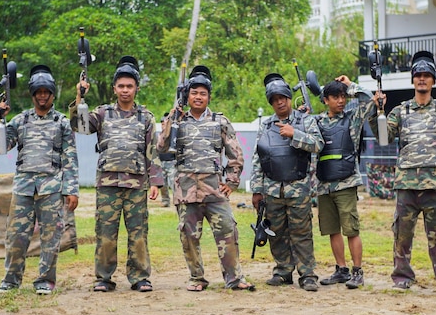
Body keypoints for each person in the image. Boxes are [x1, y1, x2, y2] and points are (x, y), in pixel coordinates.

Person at [369, 50, 436, 296]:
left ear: (433, 80)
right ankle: (402, 278)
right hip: (406, 184)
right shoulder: (400, 111)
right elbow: (383, 137)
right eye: (418, 75)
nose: (422, 79)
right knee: (402, 234)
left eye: (426, 75)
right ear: (412, 80)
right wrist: (376, 110)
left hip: (435, 183)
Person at [69, 55, 163, 293]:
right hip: (108, 184)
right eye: (121, 86)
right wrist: (80, 97)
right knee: (105, 234)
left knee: (138, 233)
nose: (125, 90)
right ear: (114, 89)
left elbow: (153, 150)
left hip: (136, 184)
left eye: (129, 86)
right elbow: (80, 126)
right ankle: (103, 277)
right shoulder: (102, 113)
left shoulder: (146, 117)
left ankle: (140, 277)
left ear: (137, 89)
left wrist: (156, 182)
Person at [157, 65, 254, 292]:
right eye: (194, 93)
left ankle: (234, 278)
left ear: (209, 97)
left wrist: (231, 181)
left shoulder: (220, 122)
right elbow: (162, 148)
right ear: (187, 95)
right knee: (188, 236)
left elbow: (235, 154)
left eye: (203, 93)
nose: (198, 97)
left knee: (228, 230)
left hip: (214, 190)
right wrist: (170, 122)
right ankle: (197, 278)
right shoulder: (178, 120)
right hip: (186, 190)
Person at [0, 64, 79, 295]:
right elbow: (3, 146)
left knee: (51, 237)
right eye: (38, 92)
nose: (42, 96)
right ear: (32, 94)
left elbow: (70, 157)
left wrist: (72, 189)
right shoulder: (20, 121)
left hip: (51, 189)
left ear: (52, 94)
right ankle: (11, 280)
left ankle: (45, 280)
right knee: (16, 237)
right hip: (23, 188)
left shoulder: (61, 122)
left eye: (46, 92)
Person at [250, 73, 323, 292]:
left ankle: (307, 274)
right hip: (272, 189)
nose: (280, 102)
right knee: (277, 232)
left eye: (283, 97)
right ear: (271, 102)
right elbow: (258, 158)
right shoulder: (266, 125)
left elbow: (318, 144)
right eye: (275, 99)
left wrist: (295, 134)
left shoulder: (305, 121)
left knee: (301, 232)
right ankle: (282, 271)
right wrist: (256, 190)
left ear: (289, 98)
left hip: (298, 187)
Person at [315, 76, 375, 289]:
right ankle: (341, 270)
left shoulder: (353, 118)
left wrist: (350, 86)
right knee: (332, 229)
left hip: (346, 182)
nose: (341, 101)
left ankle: (357, 272)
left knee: (351, 229)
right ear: (325, 100)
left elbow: (369, 101)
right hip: (323, 184)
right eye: (335, 97)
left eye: (343, 97)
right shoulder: (316, 122)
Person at [158, 113, 176, 207]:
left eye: (164, 122)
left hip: (171, 162)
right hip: (161, 162)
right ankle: (165, 201)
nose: (163, 124)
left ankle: (176, 200)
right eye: (162, 123)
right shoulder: (159, 135)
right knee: (163, 184)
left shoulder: (172, 134)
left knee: (173, 183)